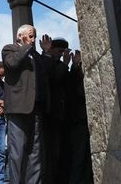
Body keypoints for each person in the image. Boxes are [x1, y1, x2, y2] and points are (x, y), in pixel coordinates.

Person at [1, 24, 53, 184]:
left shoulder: (35, 55)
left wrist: (46, 53)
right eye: (30, 36)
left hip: (36, 109)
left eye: (34, 36)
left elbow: (48, 74)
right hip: (18, 109)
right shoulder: (9, 49)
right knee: (17, 153)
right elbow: (12, 64)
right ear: (20, 36)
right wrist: (24, 46)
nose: (33, 39)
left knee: (35, 153)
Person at [42, 38, 71, 184]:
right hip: (49, 114)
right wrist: (65, 63)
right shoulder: (44, 61)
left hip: (62, 114)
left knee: (61, 151)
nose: (61, 55)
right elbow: (54, 78)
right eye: (59, 51)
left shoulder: (59, 64)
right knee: (51, 152)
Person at [66, 50, 93, 184]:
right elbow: (73, 84)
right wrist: (75, 66)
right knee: (79, 158)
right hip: (78, 123)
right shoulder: (74, 81)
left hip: (82, 122)